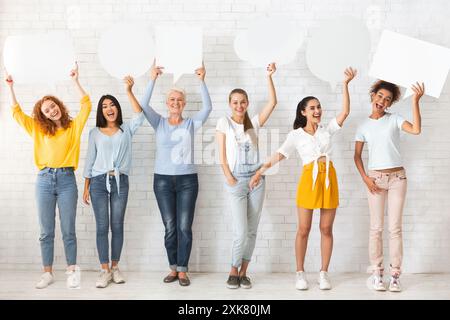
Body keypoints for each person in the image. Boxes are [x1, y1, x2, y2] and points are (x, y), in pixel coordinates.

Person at [249, 68, 357, 290]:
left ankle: (324, 273)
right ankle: (300, 273)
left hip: (329, 179)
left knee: (326, 229)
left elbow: (345, 112)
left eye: (318, 107)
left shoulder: (326, 130)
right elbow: (279, 155)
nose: (317, 110)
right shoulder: (295, 135)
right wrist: (260, 171)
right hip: (309, 179)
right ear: (303, 112)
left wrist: (345, 84)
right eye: (313, 108)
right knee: (304, 229)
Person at [5, 62, 91, 289]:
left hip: (66, 181)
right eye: (46, 110)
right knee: (46, 230)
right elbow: (16, 112)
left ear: (59, 105)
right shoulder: (38, 129)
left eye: (53, 106)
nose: (51, 110)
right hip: (44, 180)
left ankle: (72, 271)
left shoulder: (73, 127)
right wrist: (10, 87)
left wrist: (75, 81)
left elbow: (86, 105)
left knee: (68, 229)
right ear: (42, 115)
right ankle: (47, 272)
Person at [140, 61, 212, 286]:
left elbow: (208, 108)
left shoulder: (191, 123)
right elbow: (143, 104)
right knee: (170, 226)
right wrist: (152, 78)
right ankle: (173, 267)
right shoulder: (158, 122)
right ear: (167, 103)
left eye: (179, 100)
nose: (175, 103)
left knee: (184, 226)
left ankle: (183, 270)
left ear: (184, 104)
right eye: (172, 100)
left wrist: (202, 80)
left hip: (187, 181)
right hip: (162, 181)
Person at [354, 80, 425, 292]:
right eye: (380, 96)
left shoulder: (394, 119)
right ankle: (377, 273)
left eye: (387, 99)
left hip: (397, 179)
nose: (382, 101)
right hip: (375, 179)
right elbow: (356, 156)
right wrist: (366, 178)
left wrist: (415, 101)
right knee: (376, 228)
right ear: (373, 95)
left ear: (390, 103)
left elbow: (416, 130)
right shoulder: (363, 126)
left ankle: (395, 276)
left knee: (395, 228)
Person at [216, 63, 277, 289]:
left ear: (247, 104)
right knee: (240, 230)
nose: (239, 105)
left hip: (256, 180)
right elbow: (221, 156)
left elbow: (273, 103)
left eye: (243, 102)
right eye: (235, 102)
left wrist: (269, 76)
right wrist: (229, 177)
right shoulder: (224, 122)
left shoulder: (254, 124)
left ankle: (243, 273)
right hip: (236, 181)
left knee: (252, 229)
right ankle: (232, 269)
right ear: (230, 105)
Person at [83, 76, 145, 288]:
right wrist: (86, 187)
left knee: (117, 225)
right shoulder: (94, 133)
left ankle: (116, 267)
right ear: (101, 112)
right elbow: (89, 161)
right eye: (104, 106)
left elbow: (140, 114)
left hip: (120, 181)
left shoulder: (126, 129)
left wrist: (129, 90)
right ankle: (104, 270)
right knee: (102, 226)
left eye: (112, 105)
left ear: (117, 109)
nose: (109, 109)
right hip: (99, 182)